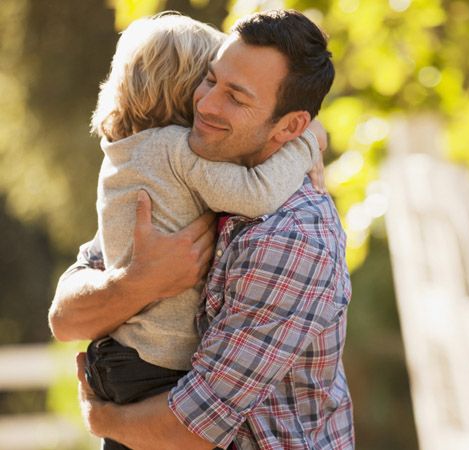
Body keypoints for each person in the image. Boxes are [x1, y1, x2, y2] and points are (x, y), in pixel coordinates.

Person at [49, 9, 354, 450]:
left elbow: (193, 428)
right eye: (209, 80)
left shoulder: (291, 234)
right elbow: (65, 317)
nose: (206, 104)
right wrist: (136, 283)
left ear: (290, 126)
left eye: (237, 96)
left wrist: (103, 419)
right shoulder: (178, 179)